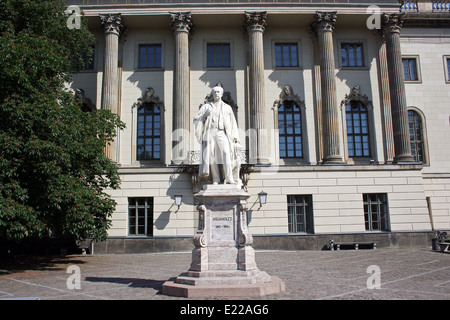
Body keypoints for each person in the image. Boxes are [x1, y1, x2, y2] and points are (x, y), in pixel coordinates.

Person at [194, 85, 241, 185]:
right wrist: (204, 116)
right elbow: (196, 120)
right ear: (212, 94)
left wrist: (235, 136)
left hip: (221, 132)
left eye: (218, 92)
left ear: (222, 94)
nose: (216, 94)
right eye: (214, 92)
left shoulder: (227, 108)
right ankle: (216, 179)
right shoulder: (206, 107)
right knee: (211, 156)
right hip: (210, 132)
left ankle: (229, 177)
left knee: (226, 153)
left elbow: (233, 123)